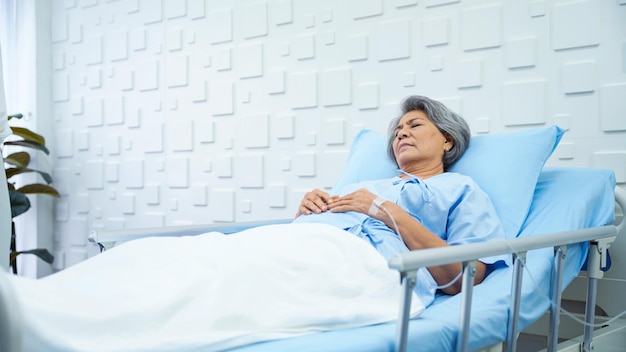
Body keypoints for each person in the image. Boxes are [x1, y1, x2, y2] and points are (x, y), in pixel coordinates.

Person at [293, 95, 509, 307]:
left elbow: (467, 276)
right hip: (302, 246)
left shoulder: (460, 189)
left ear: (447, 140)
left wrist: (387, 211)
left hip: (356, 267)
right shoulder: (361, 187)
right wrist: (308, 210)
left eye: (414, 125)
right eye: (397, 132)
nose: (401, 133)